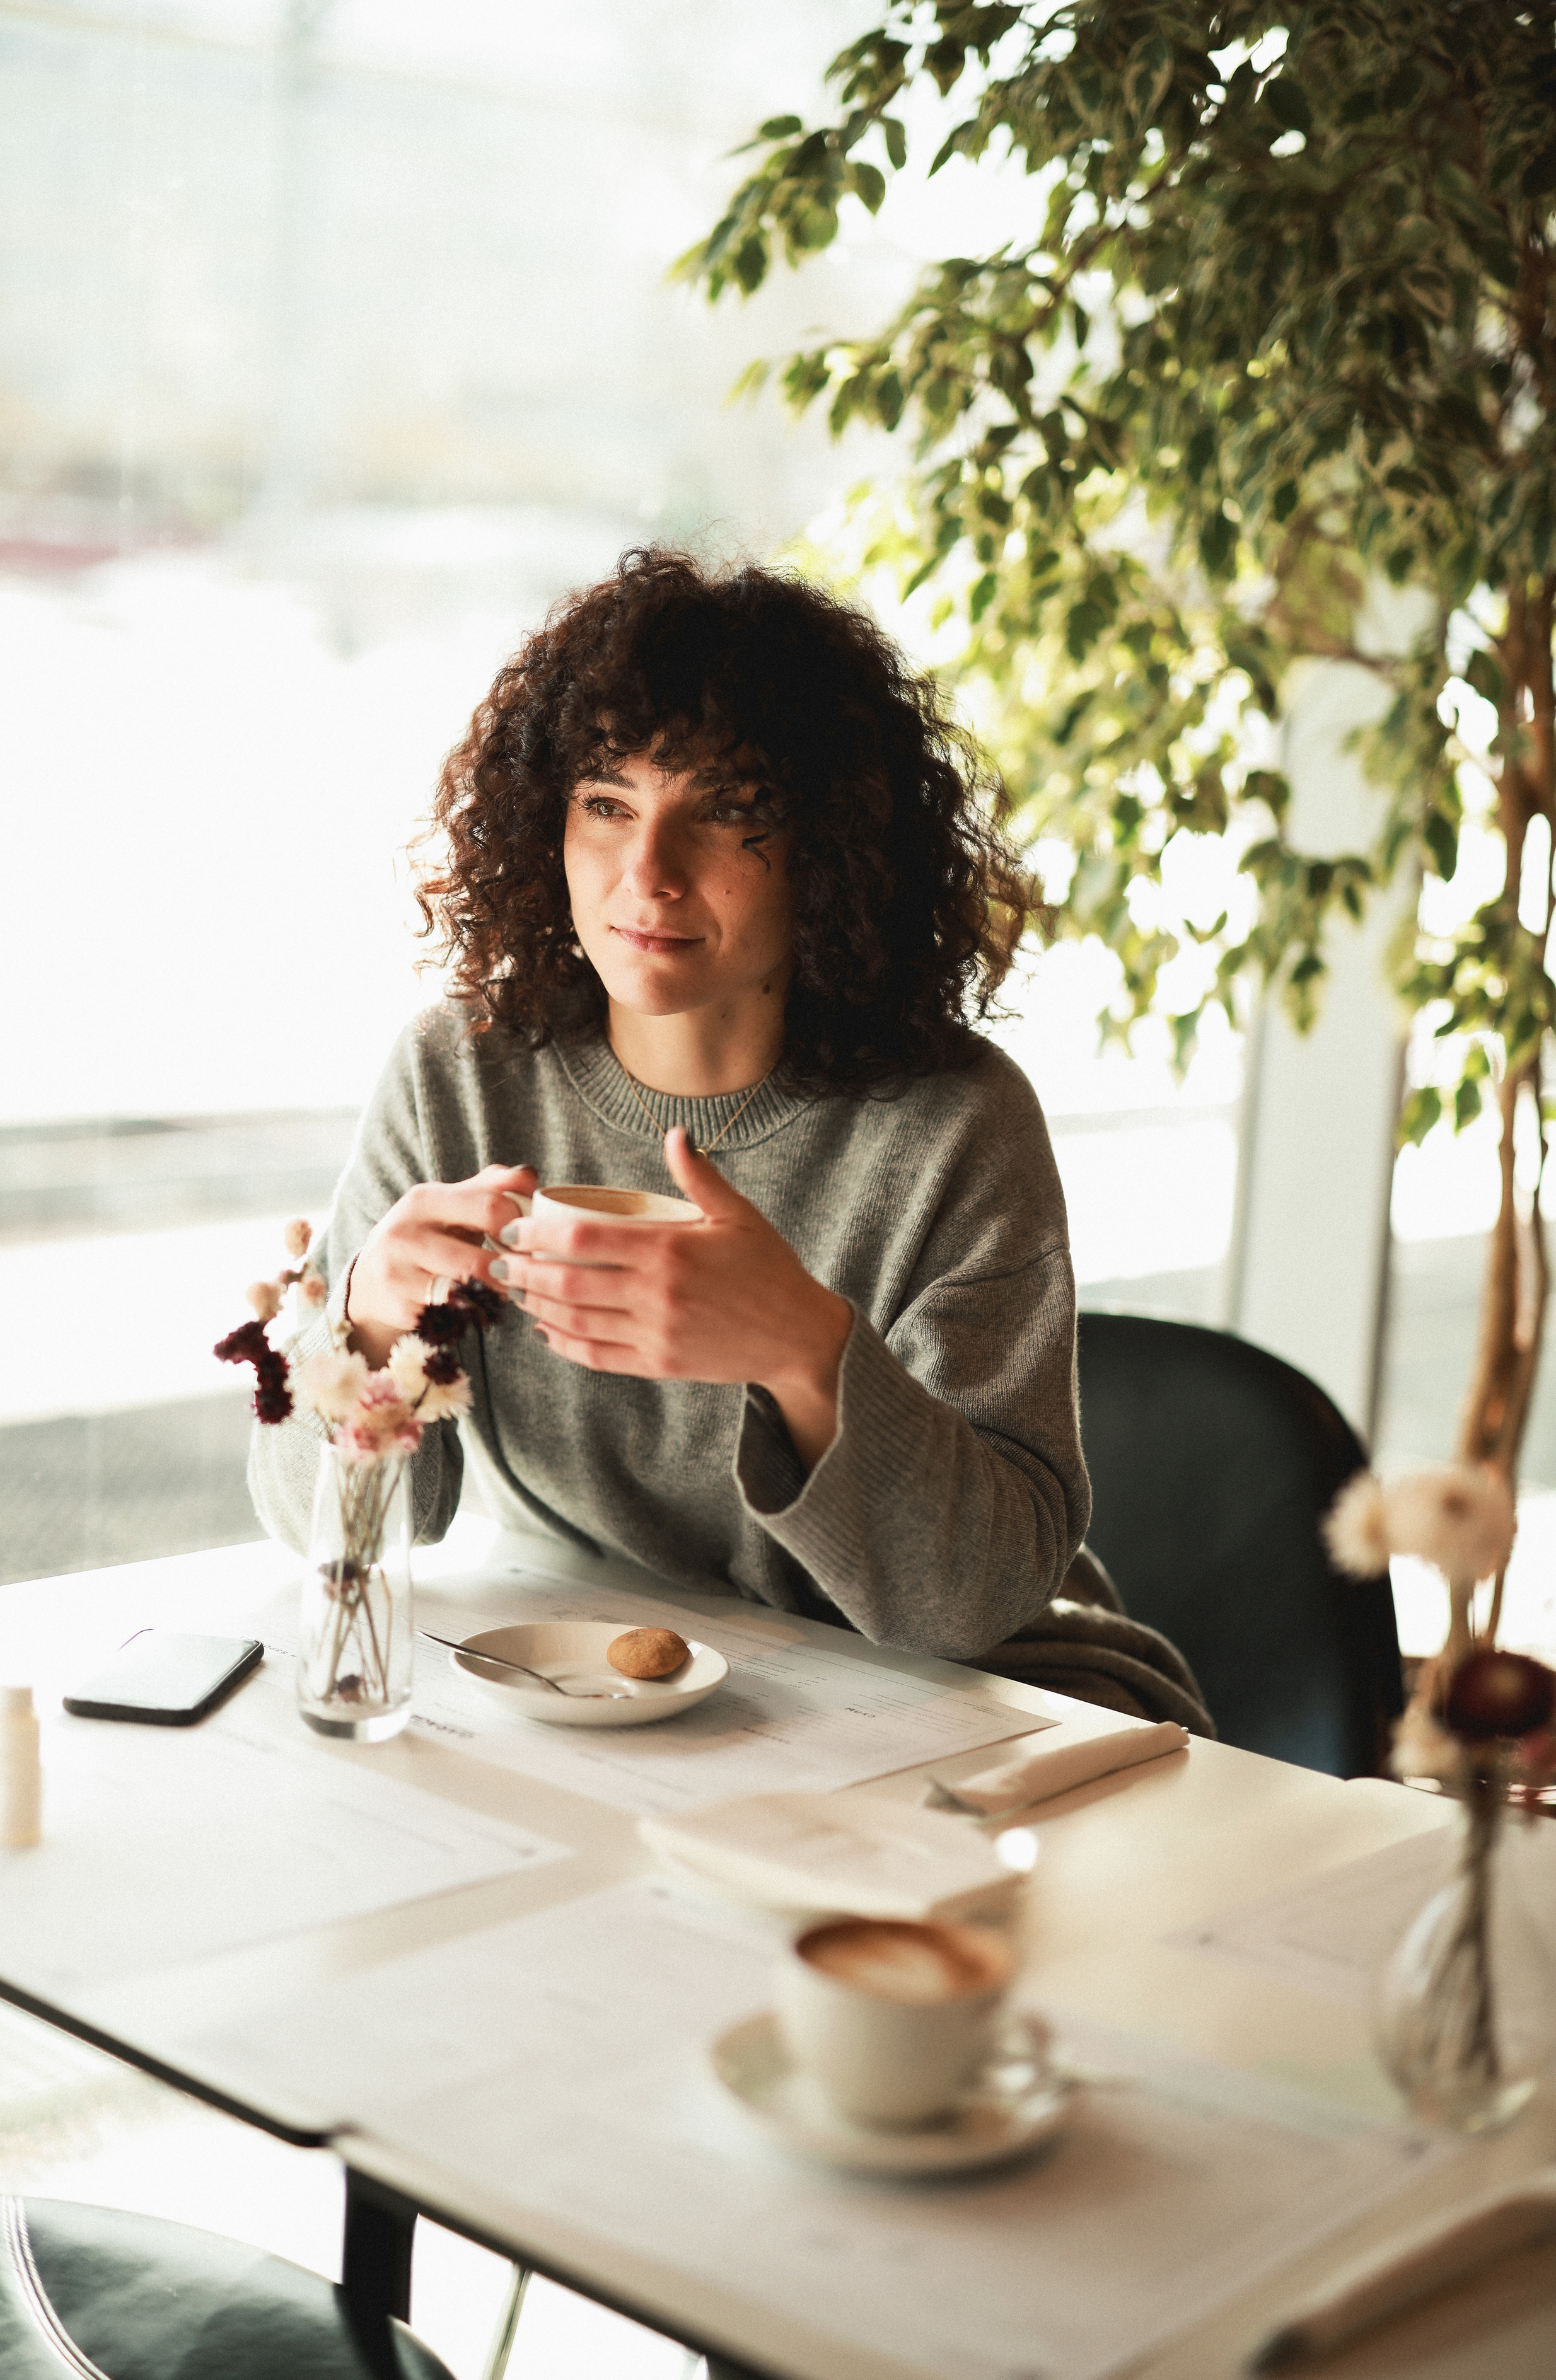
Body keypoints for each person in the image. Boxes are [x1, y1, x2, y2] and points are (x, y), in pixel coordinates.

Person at [250, 549, 1193, 1700]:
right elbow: (324, 1535)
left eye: (729, 812)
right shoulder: (458, 1075)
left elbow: (973, 1603)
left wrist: (802, 1347)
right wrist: (363, 1324)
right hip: (589, 1679)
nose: (647, 872)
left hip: (965, 1695)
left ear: (833, 850)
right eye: (607, 804)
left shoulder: (956, 1123)